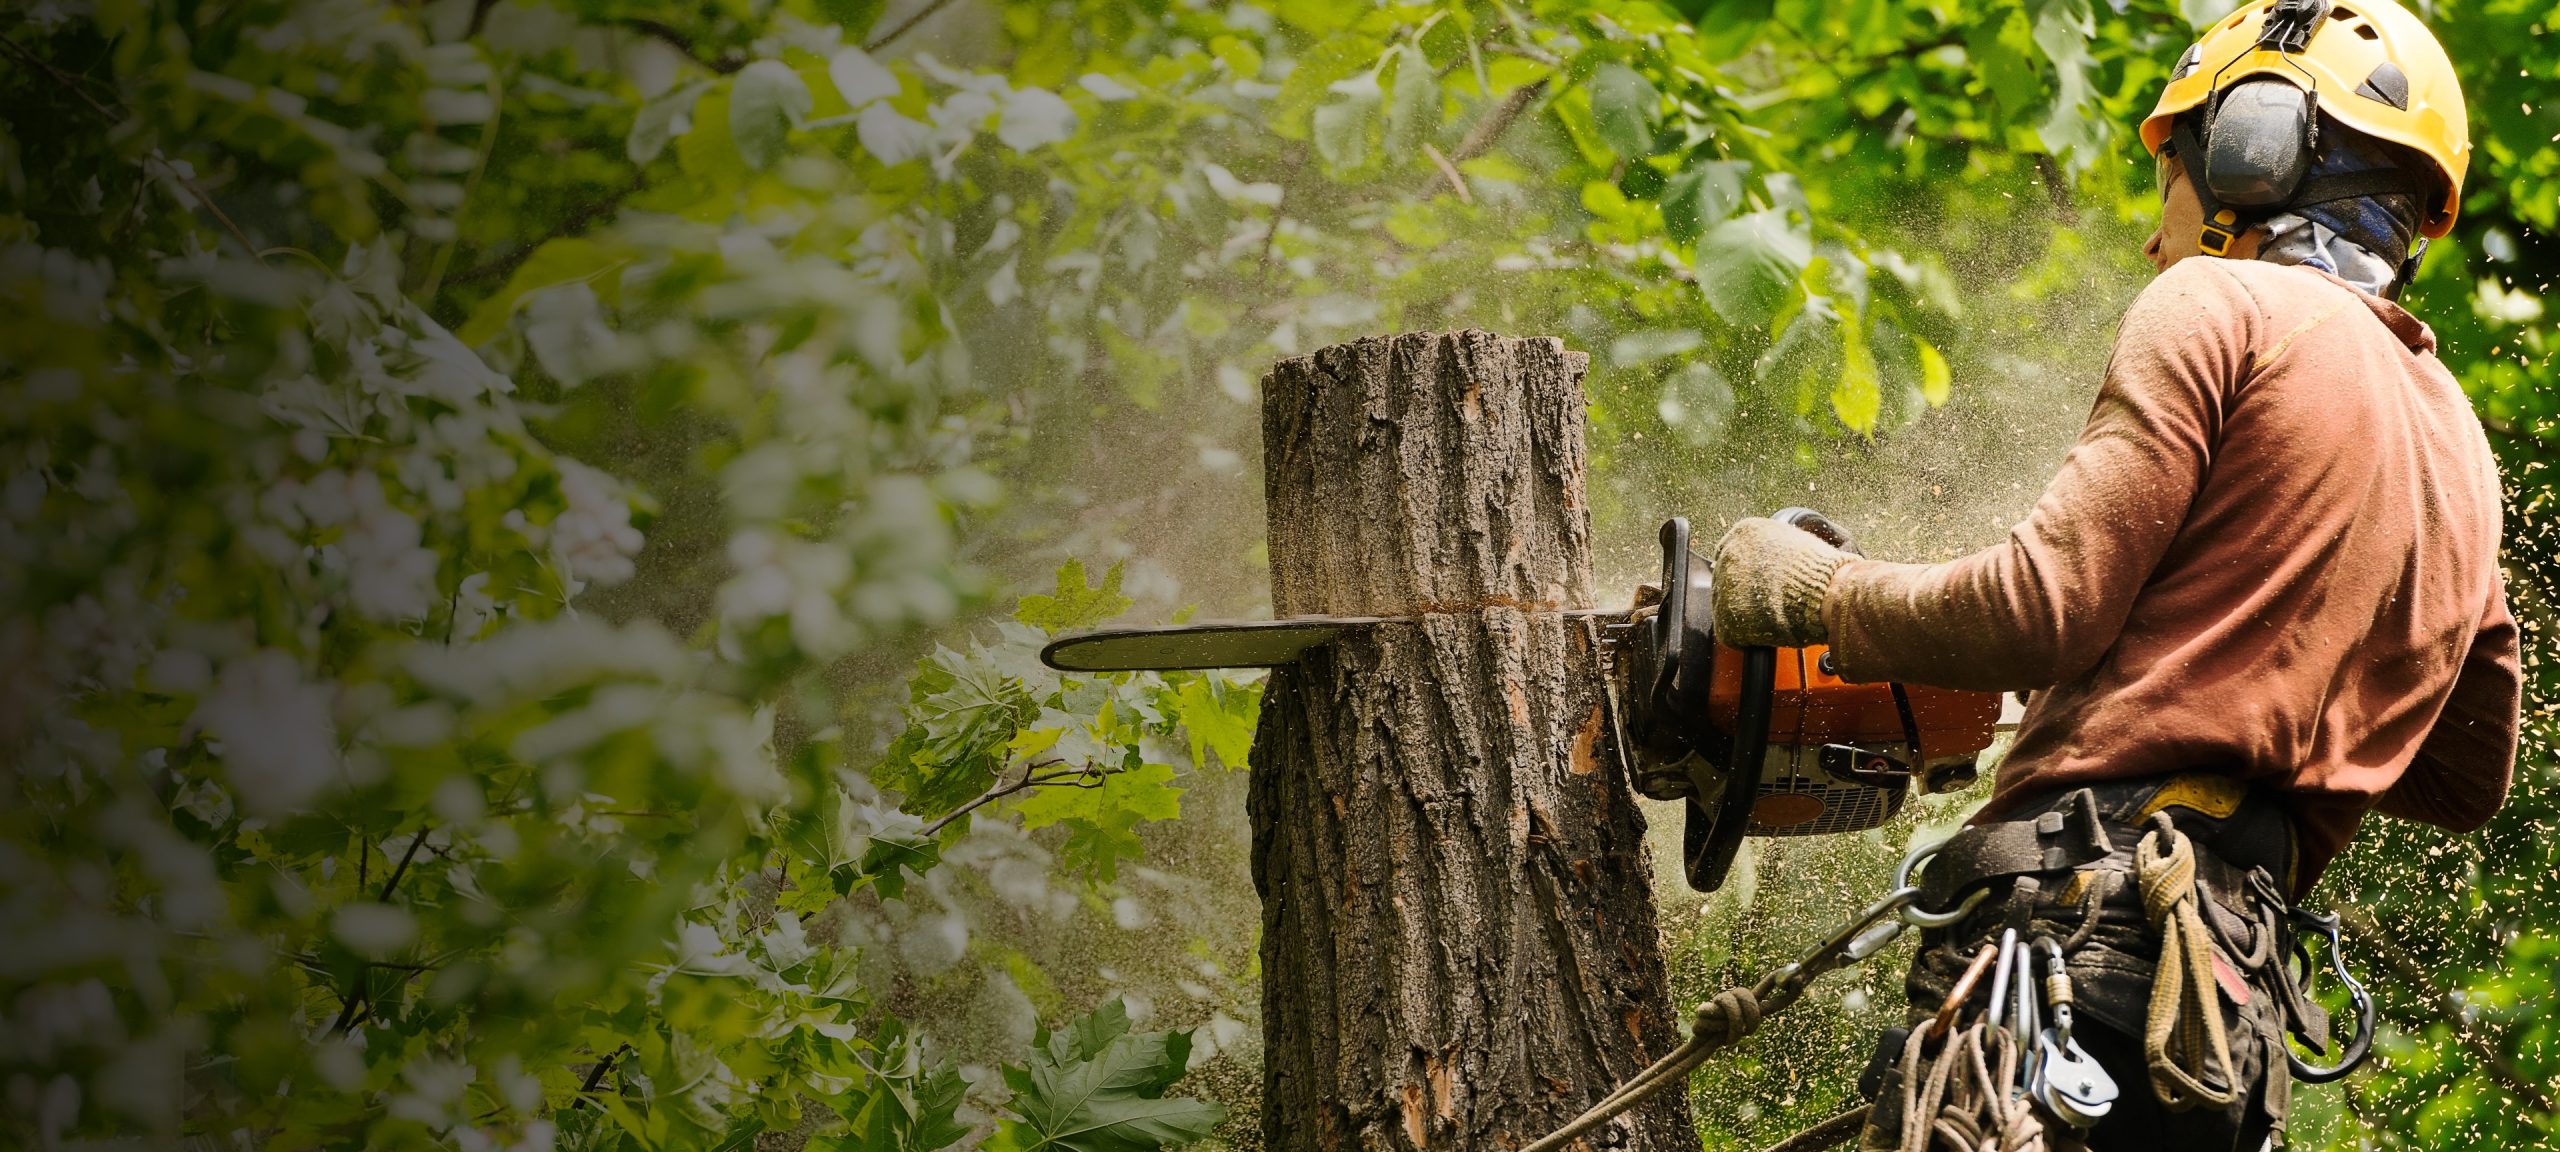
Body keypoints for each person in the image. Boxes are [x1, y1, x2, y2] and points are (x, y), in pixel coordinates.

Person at [1705, 0, 2519, 1149]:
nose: (2153, 238)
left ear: (2253, 148)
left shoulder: (2217, 300)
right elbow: (2465, 774)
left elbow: (2044, 606)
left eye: (2168, 183)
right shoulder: (2456, 438)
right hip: (2219, 1012)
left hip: (2073, 951)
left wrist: (1815, 596)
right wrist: (2228, 693)